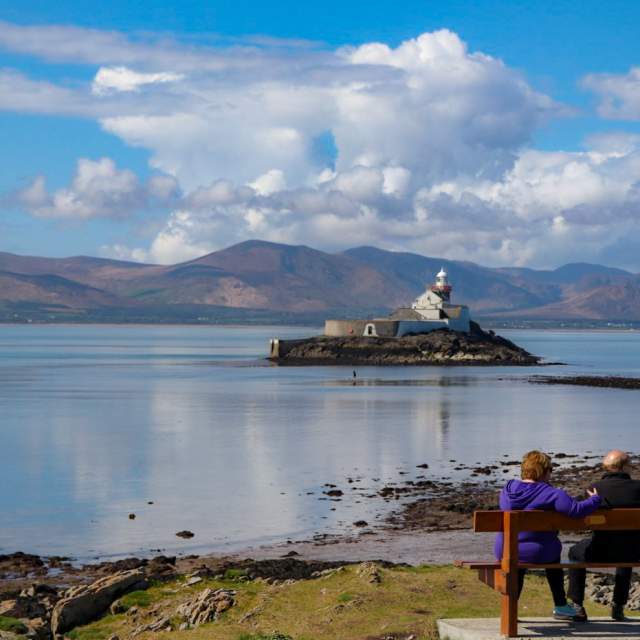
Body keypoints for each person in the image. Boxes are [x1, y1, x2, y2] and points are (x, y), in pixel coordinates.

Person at [494, 450, 601, 621]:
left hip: (505, 549)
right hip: (540, 552)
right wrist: (595, 499)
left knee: (517, 558)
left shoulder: (507, 490)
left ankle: (511, 607)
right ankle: (560, 606)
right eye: (550, 469)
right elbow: (576, 510)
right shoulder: (552, 494)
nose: (551, 473)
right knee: (552, 552)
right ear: (543, 471)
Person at [567, 450, 640, 621]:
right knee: (626, 546)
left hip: (601, 550)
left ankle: (577, 605)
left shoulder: (595, 488)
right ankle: (618, 606)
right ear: (625, 467)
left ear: (607, 468)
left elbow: (577, 511)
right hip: (634, 551)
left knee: (574, 552)